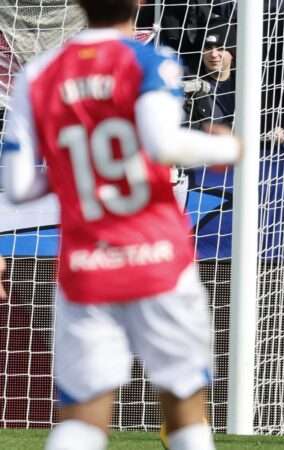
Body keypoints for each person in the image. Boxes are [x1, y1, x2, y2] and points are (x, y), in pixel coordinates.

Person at [0, 1, 241, 449]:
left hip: (87, 266)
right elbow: (161, 141)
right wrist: (228, 149)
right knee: (185, 411)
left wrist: (73, 169)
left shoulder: (38, 74)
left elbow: (15, 188)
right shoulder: (152, 60)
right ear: (139, 3)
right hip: (160, 261)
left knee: (81, 419)